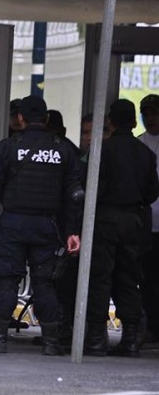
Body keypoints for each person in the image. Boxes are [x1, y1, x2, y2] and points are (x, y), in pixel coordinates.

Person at [0, 95, 83, 356]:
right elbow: (76, 195)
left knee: (8, 281)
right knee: (45, 284)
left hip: (12, 224)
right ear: (46, 119)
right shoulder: (63, 149)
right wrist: (72, 231)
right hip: (48, 226)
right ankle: (51, 342)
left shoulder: (9, 147)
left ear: (20, 118)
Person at [84, 99, 159, 357]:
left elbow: (92, 188)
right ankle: (129, 339)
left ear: (111, 122)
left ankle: (96, 338)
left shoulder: (102, 150)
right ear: (134, 121)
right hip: (134, 222)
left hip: (105, 218)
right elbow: (152, 192)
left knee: (100, 278)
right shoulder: (146, 154)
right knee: (129, 280)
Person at [138, 94, 159, 346]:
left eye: (154, 112)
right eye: (146, 113)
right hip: (144, 226)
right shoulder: (139, 145)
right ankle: (151, 327)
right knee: (147, 281)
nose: (150, 118)